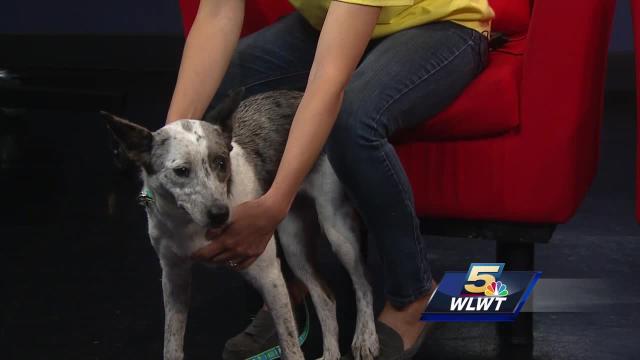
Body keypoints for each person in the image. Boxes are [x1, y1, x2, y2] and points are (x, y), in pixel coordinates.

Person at [166, 0, 493, 358]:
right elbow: (218, 14)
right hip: (330, 22)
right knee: (237, 75)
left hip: (438, 27)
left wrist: (274, 204)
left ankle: (413, 293)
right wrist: (166, 146)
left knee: (354, 119)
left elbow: (328, 82)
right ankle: (289, 288)